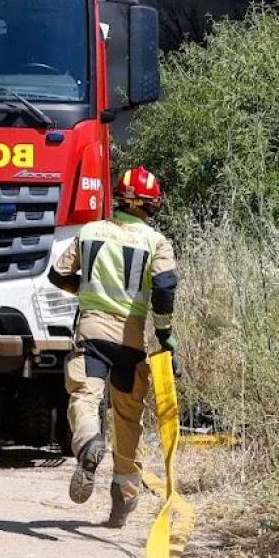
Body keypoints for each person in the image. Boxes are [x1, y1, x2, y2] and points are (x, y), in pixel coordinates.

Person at [48, 166, 180, 528]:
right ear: (150, 205)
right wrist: (165, 333)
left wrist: (89, 291)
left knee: (84, 397)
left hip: (92, 335)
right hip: (131, 341)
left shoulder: (90, 232)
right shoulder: (156, 241)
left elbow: (58, 275)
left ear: (120, 198)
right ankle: (124, 496)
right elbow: (165, 287)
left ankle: (89, 441)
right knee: (128, 419)